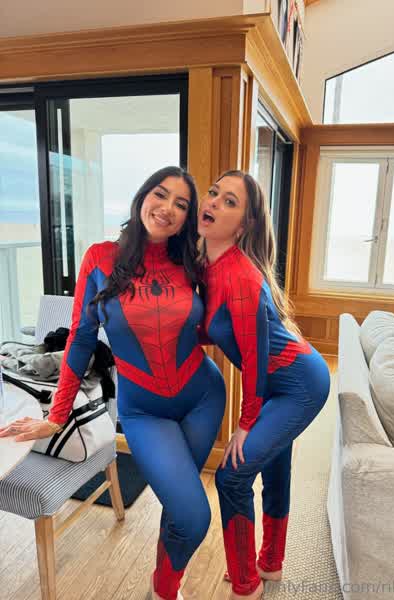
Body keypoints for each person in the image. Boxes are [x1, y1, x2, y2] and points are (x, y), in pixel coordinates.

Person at [0, 166, 226, 600]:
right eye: (161, 194)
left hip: (203, 396)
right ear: (143, 196)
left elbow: (210, 325)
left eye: (181, 204)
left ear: (188, 217)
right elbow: (81, 340)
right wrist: (57, 415)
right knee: (195, 516)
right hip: (144, 412)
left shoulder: (192, 263)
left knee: (178, 506)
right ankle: (164, 585)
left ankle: (164, 585)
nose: (168, 208)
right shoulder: (100, 258)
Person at [198, 170, 330, 600]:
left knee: (231, 476)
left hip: (300, 384)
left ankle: (246, 584)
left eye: (230, 201)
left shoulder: (240, 275)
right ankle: (269, 565)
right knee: (274, 468)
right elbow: (216, 330)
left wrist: (246, 422)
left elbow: (253, 358)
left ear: (245, 224)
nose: (213, 202)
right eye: (214, 193)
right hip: (278, 383)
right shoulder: (208, 267)